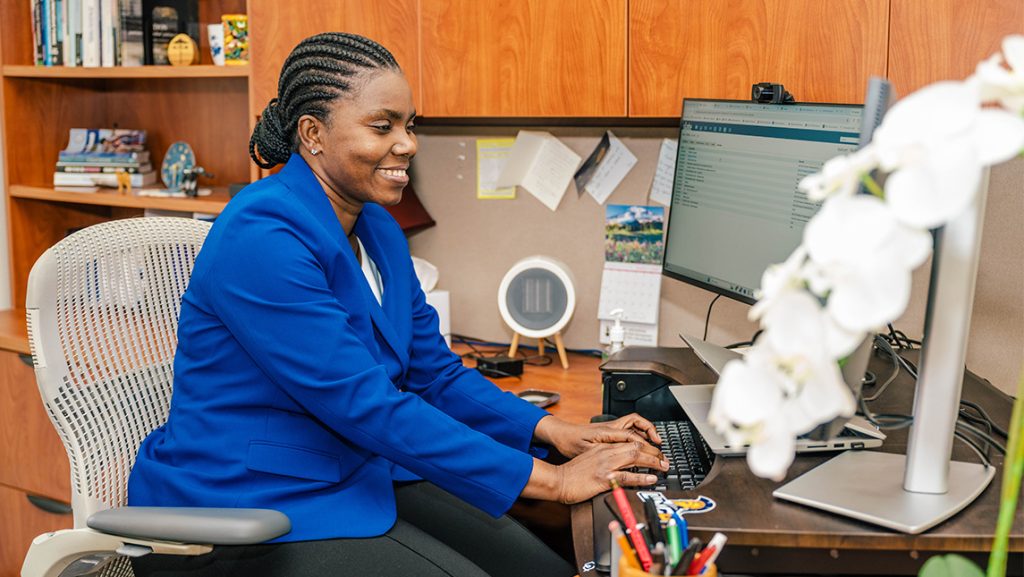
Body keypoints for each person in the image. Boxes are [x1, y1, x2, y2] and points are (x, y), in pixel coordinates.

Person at [128, 32, 667, 577]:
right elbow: (367, 404)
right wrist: (553, 480)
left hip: (353, 469)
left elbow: (434, 377)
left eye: (410, 125)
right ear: (313, 134)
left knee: (544, 567)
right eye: (382, 126)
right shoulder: (262, 233)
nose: (408, 143)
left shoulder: (380, 230)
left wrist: (551, 433)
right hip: (248, 505)